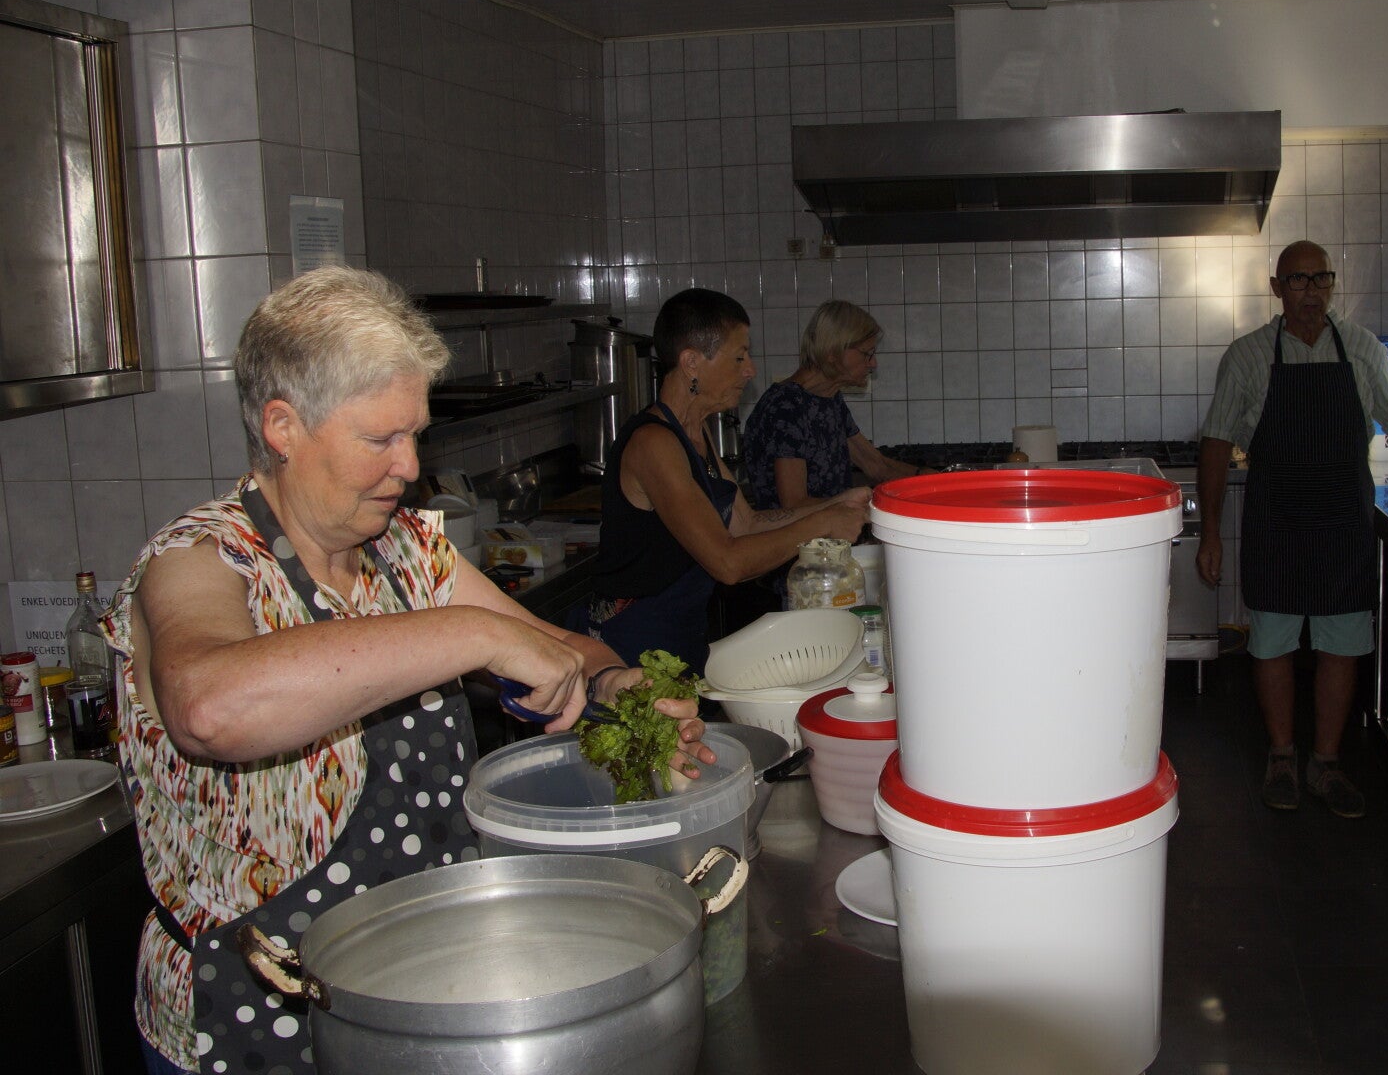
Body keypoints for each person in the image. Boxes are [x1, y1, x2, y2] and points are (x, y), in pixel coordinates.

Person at [107, 266, 715, 1075]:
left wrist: (615, 687)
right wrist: (471, 633)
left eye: (416, 434)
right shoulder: (197, 558)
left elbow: (558, 647)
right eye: (380, 439)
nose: (408, 465)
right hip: (254, 1022)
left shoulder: (405, 553)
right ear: (284, 427)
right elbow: (210, 709)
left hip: (418, 1003)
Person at [1197, 240, 1388, 818]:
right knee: (1271, 644)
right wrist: (1211, 533)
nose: (1311, 291)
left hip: (1343, 522)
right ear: (1277, 289)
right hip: (1276, 522)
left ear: (1331, 284)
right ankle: (1281, 757)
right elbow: (1217, 443)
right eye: (1298, 280)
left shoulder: (1363, 349)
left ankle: (1325, 764)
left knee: (1340, 646)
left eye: (1320, 278)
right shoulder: (1247, 356)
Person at [588, 288, 868, 670]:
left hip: (678, 640)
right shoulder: (654, 443)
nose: (750, 369)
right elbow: (728, 562)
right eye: (739, 357)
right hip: (630, 649)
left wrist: (838, 503)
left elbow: (746, 524)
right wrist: (824, 523)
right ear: (691, 362)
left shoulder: (695, 433)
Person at [738, 299, 928, 510]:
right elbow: (794, 504)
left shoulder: (828, 398)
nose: (873, 364)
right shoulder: (786, 407)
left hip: (832, 530)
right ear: (832, 352)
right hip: (797, 533)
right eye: (867, 353)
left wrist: (932, 481)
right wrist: (868, 509)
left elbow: (875, 465)